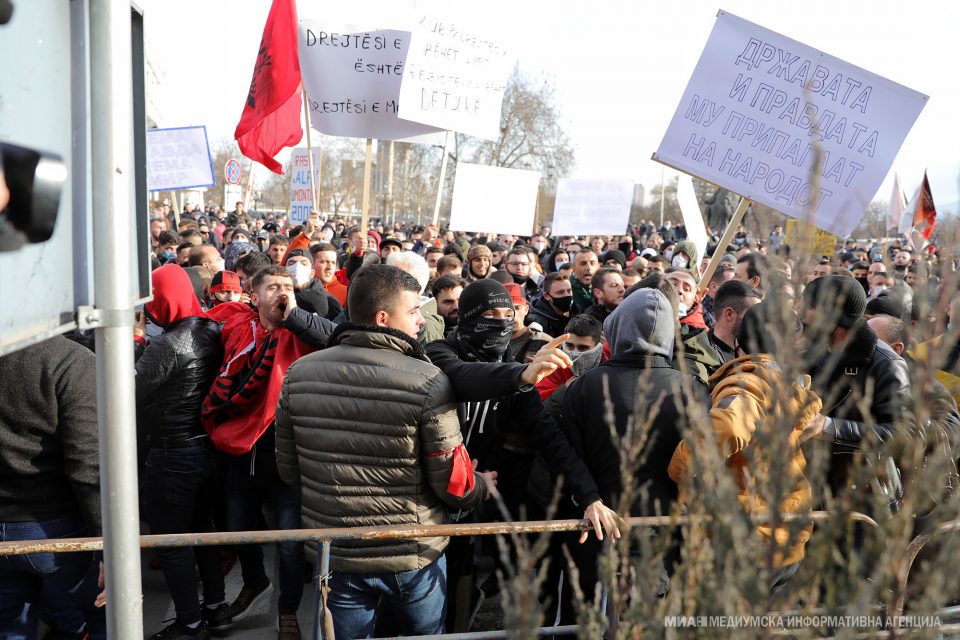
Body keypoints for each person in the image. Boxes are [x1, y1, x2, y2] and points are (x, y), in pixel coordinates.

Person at [275, 265, 494, 639]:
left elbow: (289, 470)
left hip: (336, 551)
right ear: (383, 318)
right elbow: (453, 483)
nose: (420, 321)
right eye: (412, 312)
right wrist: (482, 486)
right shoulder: (428, 380)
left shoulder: (299, 374)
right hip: (411, 553)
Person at [202, 266, 336, 639]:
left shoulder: (304, 327)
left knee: (290, 546)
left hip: (286, 458)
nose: (282, 292)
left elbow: (336, 337)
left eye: (288, 286)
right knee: (239, 530)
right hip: (240, 452)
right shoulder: (236, 326)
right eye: (273, 287)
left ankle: (287, 609)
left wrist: (293, 315)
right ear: (253, 295)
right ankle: (255, 580)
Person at [561, 287, 705, 603]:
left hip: (596, 525)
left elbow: (568, 457)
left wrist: (588, 496)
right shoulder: (691, 389)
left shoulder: (585, 385)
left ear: (618, 326)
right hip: (660, 531)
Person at [669, 302, 821, 592]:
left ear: (738, 341)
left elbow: (729, 427)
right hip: (782, 534)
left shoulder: (749, 383)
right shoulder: (787, 384)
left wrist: (678, 469)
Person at [134, 265, 231, 639]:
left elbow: (128, 390)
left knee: (171, 541)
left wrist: (136, 339)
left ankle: (189, 622)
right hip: (206, 449)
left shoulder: (167, 344)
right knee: (202, 531)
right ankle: (216, 609)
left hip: (173, 454)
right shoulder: (210, 329)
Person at [0, 337, 105, 640]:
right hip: (56, 529)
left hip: (30, 526)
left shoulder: (70, 362)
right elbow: (88, 468)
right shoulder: (70, 360)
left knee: (10, 629)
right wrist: (109, 550)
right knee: (105, 617)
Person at [800, 275, 914, 501]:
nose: (802, 315)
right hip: (814, 489)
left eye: (809, 308)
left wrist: (830, 427)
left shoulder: (886, 364)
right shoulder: (814, 350)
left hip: (864, 497)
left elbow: (903, 435)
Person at [676, 280, 762, 385]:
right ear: (730, 314)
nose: (758, 320)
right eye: (752, 314)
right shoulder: (696, 359)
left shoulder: (752, 355)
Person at [504, 282, 552, 363]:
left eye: (517, 308)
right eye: (506, 309)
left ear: (526, 309)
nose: (513, 314)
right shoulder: (489, 343)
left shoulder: (544, 342)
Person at [285, 249, 340, 321]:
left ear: (312, 273)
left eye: (304, 264)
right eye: (292, 263)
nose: (297, 267)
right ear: (284, 270)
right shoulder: (277, 296)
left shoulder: (330, 302)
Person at [526, 272, 572, 338]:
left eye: (569, 291)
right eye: (560, 292)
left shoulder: (576, 312)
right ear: (547, 296)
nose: (567, 295)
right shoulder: (537, 322)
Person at [309, 242, 348, 307]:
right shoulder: (301, 290)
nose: (329, 267)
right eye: (324, 262)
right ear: (311, 264)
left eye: (333, 262)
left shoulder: (346, 292)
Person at [570, 249, 599, 314]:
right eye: (583, 264)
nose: (588, 268)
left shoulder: (604, 288)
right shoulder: (568, 291)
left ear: (598, 266)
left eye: (592, 263)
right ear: (573, 267)